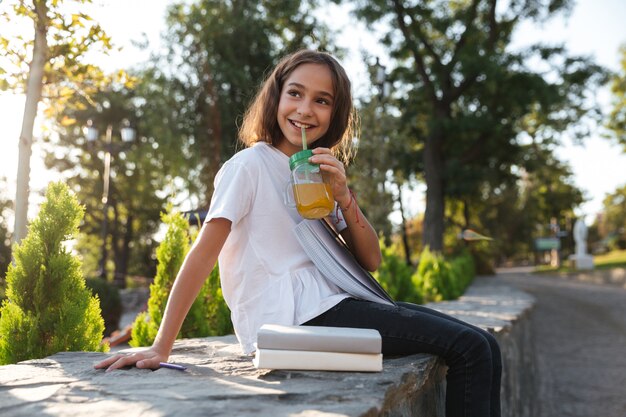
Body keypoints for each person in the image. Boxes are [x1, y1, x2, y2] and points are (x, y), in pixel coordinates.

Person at [95, 49, 501, 417]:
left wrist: (344, 197)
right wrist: (162, 345)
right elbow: (203, 252)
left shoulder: (320, 173)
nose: (305, 109)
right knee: (470, 350)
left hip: (333, 303)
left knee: (486, 344)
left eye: (321, 101)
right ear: (276, 97)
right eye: (295, 93)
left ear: (334, 114)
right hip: (292, 316)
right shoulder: (250, 165)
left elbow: (371, 260)